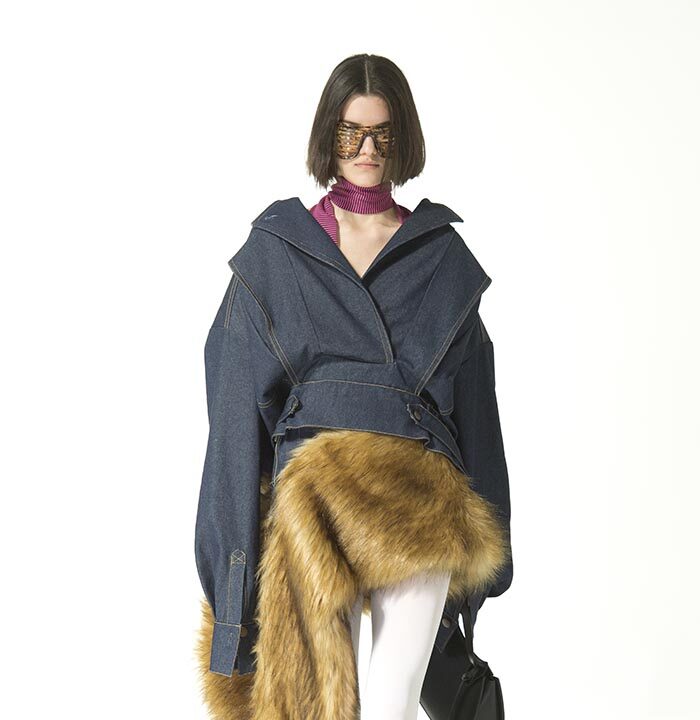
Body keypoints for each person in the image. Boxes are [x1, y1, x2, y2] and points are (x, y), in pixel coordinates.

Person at [194, 53, 514, 720]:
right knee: (324, 709)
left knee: (392, 703)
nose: (367, 149)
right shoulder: (277, 252)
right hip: (313, 503)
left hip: (417, 497)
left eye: (382, 133)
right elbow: (233, 412)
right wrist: (232, 581)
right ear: (328, 136)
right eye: (350, 132)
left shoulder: (443, 260)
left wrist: (485, 570)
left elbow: (477, 410)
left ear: (403, 139)